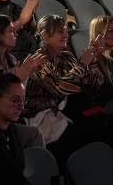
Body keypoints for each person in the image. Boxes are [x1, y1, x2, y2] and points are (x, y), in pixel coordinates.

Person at [24, 15, 106, 162]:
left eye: (66, 31)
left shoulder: (66, 56)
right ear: (44, 35)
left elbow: (92, 84)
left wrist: (92, 59)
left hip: (66, 110)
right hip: (44, 116)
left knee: (106, 125)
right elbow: (60, 88)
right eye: (59, 31)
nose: (65, 35)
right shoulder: (39, 60)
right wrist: (81, 65)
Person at [0, 13, 45, 81]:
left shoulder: (11, 59)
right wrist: (24, 71)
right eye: (11, 31)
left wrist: (29, 71)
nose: (16, 34)